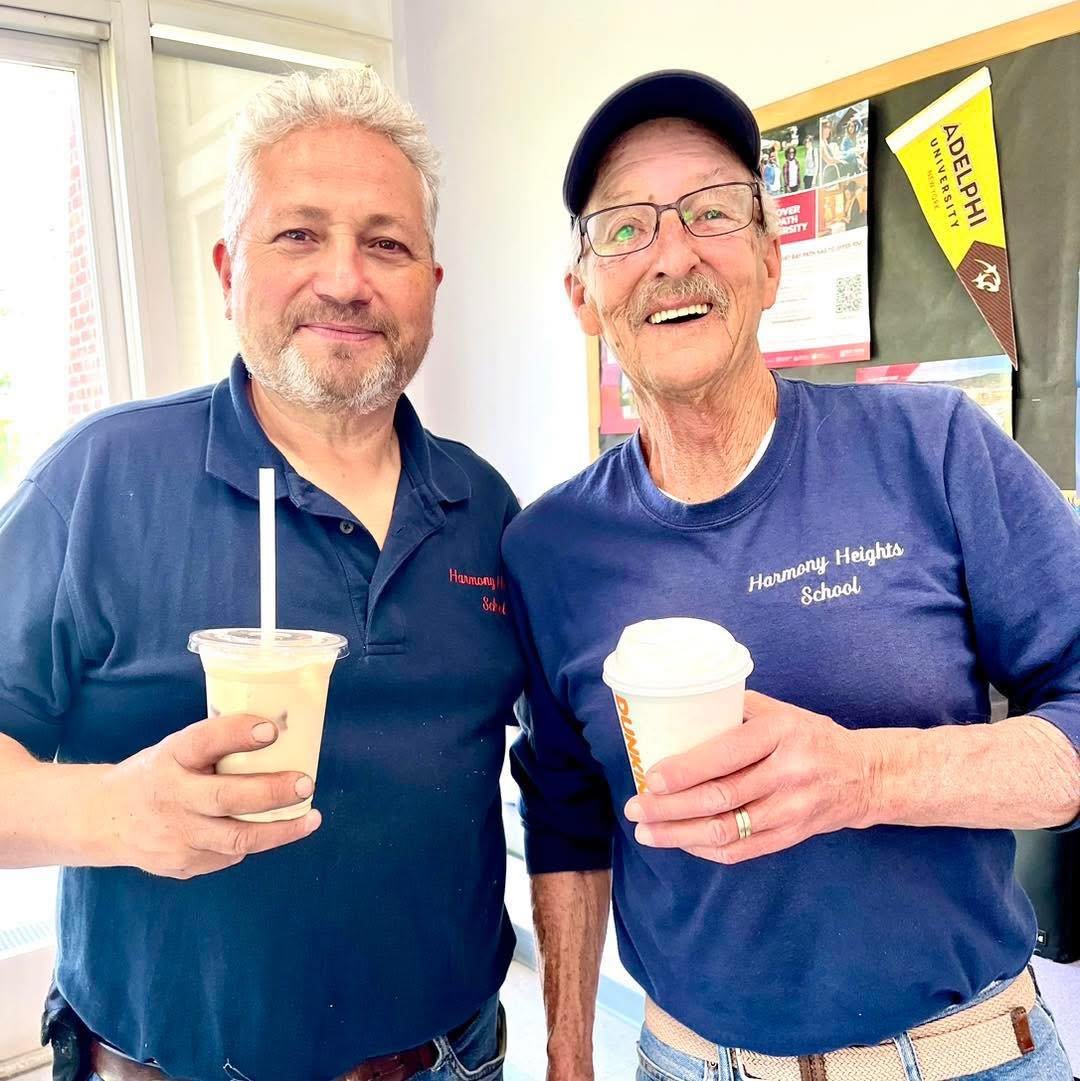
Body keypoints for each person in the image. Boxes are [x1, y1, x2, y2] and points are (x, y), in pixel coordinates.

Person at [502, 69, 1079, 1081]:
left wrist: (865, 776)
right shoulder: (549, 548)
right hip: (687, 1062)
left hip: (965, 1057)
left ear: (769, 261)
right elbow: (566, 819)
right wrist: (565, 1053)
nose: (674, 253)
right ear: (584, 297)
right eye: (626, 229)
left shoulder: (934, 447)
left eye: (714, 212)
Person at [0, 67, 522, 1081]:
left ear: (431, 282)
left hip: (455, 1057)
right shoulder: (99, 481)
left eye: (387, 242)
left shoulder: (487, 510)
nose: (345, 278)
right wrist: (115, 811)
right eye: (299, 234)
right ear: (228, 264)